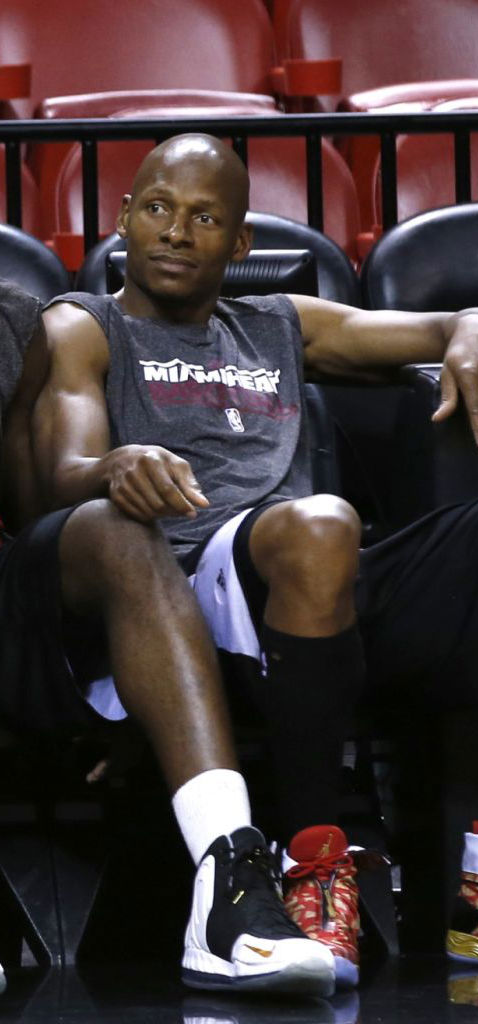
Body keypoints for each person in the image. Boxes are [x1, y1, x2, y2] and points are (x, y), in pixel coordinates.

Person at [35, 133, 478, 991]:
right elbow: (60, 477)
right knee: (321, 525)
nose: (177, 233)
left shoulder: (280, 322)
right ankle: (310, 873)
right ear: (122, 222)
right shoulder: (85, 324)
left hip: (317, 569)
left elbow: (448, 326)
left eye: (204, 218)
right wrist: (113, 467)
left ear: (239, 246)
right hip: (184, 588)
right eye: (156, 210)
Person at [0, 277, 336, 997]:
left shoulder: (16, 322)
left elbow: (34, 507)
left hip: (17, 599)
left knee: (118, 531)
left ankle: (229, 887)